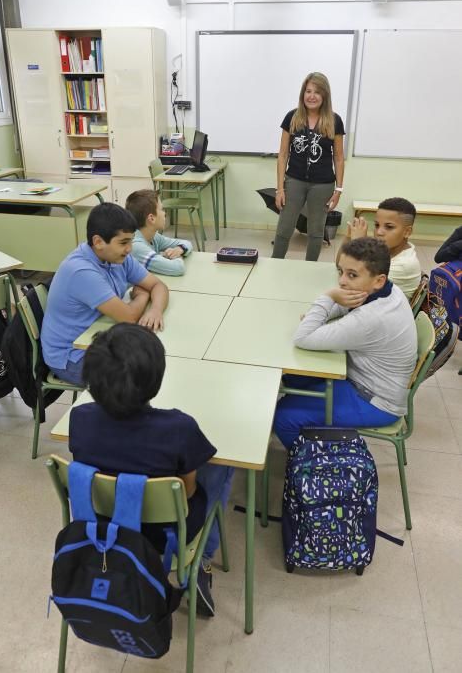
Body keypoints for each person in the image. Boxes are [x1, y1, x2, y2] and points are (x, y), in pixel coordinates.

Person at [69, 323, 234, 617]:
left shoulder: (79, 418)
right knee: (222, 467)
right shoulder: (179, 428)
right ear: (156, 379)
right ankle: (199, 564)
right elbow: (189, 491)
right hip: (165, 534)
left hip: (99, 525)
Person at [274, 237, 417, 449]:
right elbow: (346, 304)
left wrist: (327, 297)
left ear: (378, 280)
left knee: (284, 417)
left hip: (375, 402)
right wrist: (324, 311)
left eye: (352, 275)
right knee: (294, 378)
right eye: (341, 271)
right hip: (367, 383)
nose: (341, 281)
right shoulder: (386, 290)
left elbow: (303, 338)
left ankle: (310, 468)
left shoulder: (371, 319)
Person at [41, 202, 169, 385]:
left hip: (98, 338)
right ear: (98, 242)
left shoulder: (116, 256)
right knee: (136, 379)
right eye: (124, 242)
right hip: (72, 356)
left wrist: (155, 310)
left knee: (151, 360)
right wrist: (142, 295)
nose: (129, 249)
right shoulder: (82, 271)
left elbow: (158, 285)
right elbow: (129, 317)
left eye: (131, 241)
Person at [272, 71, 345, 262]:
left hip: (322, 185)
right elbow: (283, 155)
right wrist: (280, 188)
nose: (311, 96)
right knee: (284, 228)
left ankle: (310, 268)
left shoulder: (334, 121)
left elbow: (338, 157)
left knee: (315, 231)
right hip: (294, 181)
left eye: (317, 92)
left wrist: (338, 189)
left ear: (325, 96)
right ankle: (274, 264)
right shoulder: (292, 117)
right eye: (308, 91)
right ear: (302, 93)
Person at [339, 197, 421, 299]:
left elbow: (355, 287)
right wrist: (348, 237)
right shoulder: (385, 249)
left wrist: (357, 243)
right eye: (377, 225)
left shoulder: (404, 264)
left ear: (407, 232)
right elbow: (341, 265)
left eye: (389, 227)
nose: (379, 232)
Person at [125, 189, 193, 276]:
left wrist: (179, 249)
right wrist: (176, 256)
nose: (164, 213)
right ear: (151, 218)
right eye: (162, 209)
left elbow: (187, 243)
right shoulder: (136, 246)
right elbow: (178, 268)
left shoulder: (153, 237)